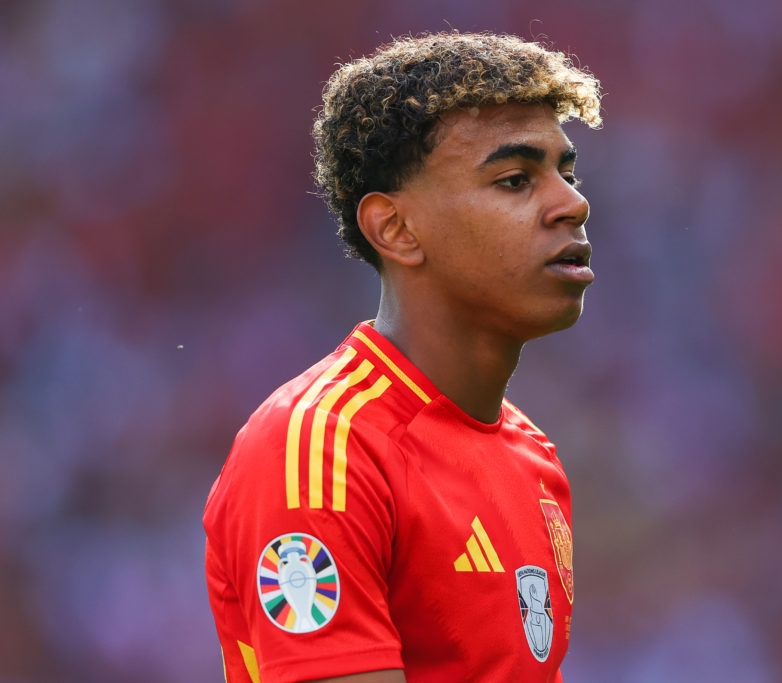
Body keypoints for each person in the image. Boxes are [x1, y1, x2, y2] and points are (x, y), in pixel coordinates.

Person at [203, 31, 602, 683]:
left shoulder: (533, 457)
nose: (572, 203)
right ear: (396, 229)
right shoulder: (320, 451)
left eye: (567, 171)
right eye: (515, 180)